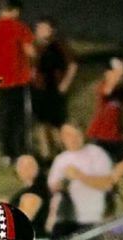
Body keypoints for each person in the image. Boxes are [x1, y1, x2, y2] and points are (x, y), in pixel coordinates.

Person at [0, 0, 34, 163]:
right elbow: (30, 51)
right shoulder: (19, 27)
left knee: (5, 117)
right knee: (19, 118)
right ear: (15, 11)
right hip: (18, 80)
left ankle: (6, 152)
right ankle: (19, 151)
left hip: (0, 80)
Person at [86, 58, 123, 180]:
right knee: (99, 165)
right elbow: (108, 90)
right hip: (100, 133)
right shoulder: (102, 86)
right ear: (107, 73)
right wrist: (118, 73)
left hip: (116, 134)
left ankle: (111, 183)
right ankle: (99, 185)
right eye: (113, 72)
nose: (118, 75)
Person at [30, 16, 77, 161]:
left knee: (58, 124)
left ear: (52, 30)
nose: (43, 32)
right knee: (41, 123)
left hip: (55, 89)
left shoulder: (59, 46)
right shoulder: (33, 46)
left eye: (46, 28)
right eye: (40, 28)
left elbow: (73, 65)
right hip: (38, 88)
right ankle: (46, 154)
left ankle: (65, 152)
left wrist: (65, 84)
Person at [9, 154, 50, 240]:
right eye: (21, 165)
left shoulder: (36, 190)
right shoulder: (24, 192)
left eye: (30, 164)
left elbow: (23, 219)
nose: (26, 168)